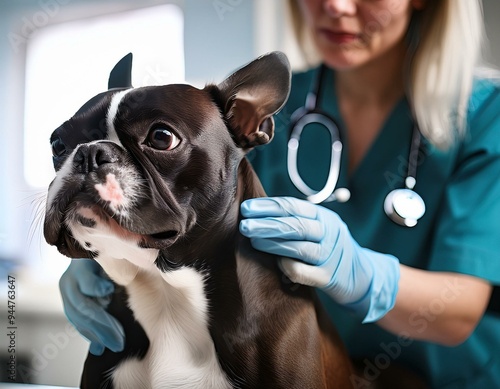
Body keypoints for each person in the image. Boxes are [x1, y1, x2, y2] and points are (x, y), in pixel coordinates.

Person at [59, 0, 500, 387]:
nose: (337, 6)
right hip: (275, 363)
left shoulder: (486, 115)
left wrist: (365, 276)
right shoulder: (268, 107)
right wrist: (113, 252)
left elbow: (460, 311)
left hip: (447, 377)